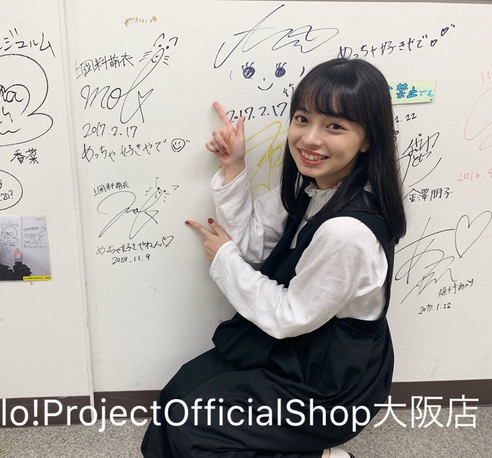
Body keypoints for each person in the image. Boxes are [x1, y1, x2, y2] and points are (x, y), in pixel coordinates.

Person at [141, 58, 407, 458]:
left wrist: (224, 259)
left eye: (335, 126)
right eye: (303, 119)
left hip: (329, 381)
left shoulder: (346, 232)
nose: (310, 139)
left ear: (367, 139)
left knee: (198, 431)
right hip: (300, 349)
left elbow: (289, 316)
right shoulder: (314, 190)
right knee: (179, 396)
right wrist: (234, 166)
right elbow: (253, 245)